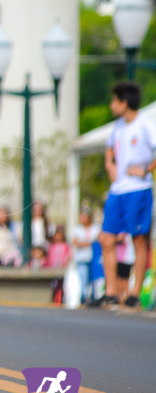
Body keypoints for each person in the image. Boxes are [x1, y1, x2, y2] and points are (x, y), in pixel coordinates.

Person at [93, 81, 156, 309]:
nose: (111, 106)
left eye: (114, 101)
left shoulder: (145, 125)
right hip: (118, 190)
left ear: (124, 102)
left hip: (138, 189)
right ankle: (111, 292)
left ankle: (134, 293)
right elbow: (109, 148)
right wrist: (110, 164)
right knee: (106, 238)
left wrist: (146, 169)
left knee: (139, 240)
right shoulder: (118, 127)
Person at [72, 206, 101, 303]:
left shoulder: (96, 227)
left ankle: (94, 296)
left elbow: (98, 239)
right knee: (84, 278)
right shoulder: (77, 229)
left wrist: (85, 243)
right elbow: (76, 242)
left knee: (94, 279)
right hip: (82, 258)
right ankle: (83, 297)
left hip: (94, 258)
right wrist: (90, 243)